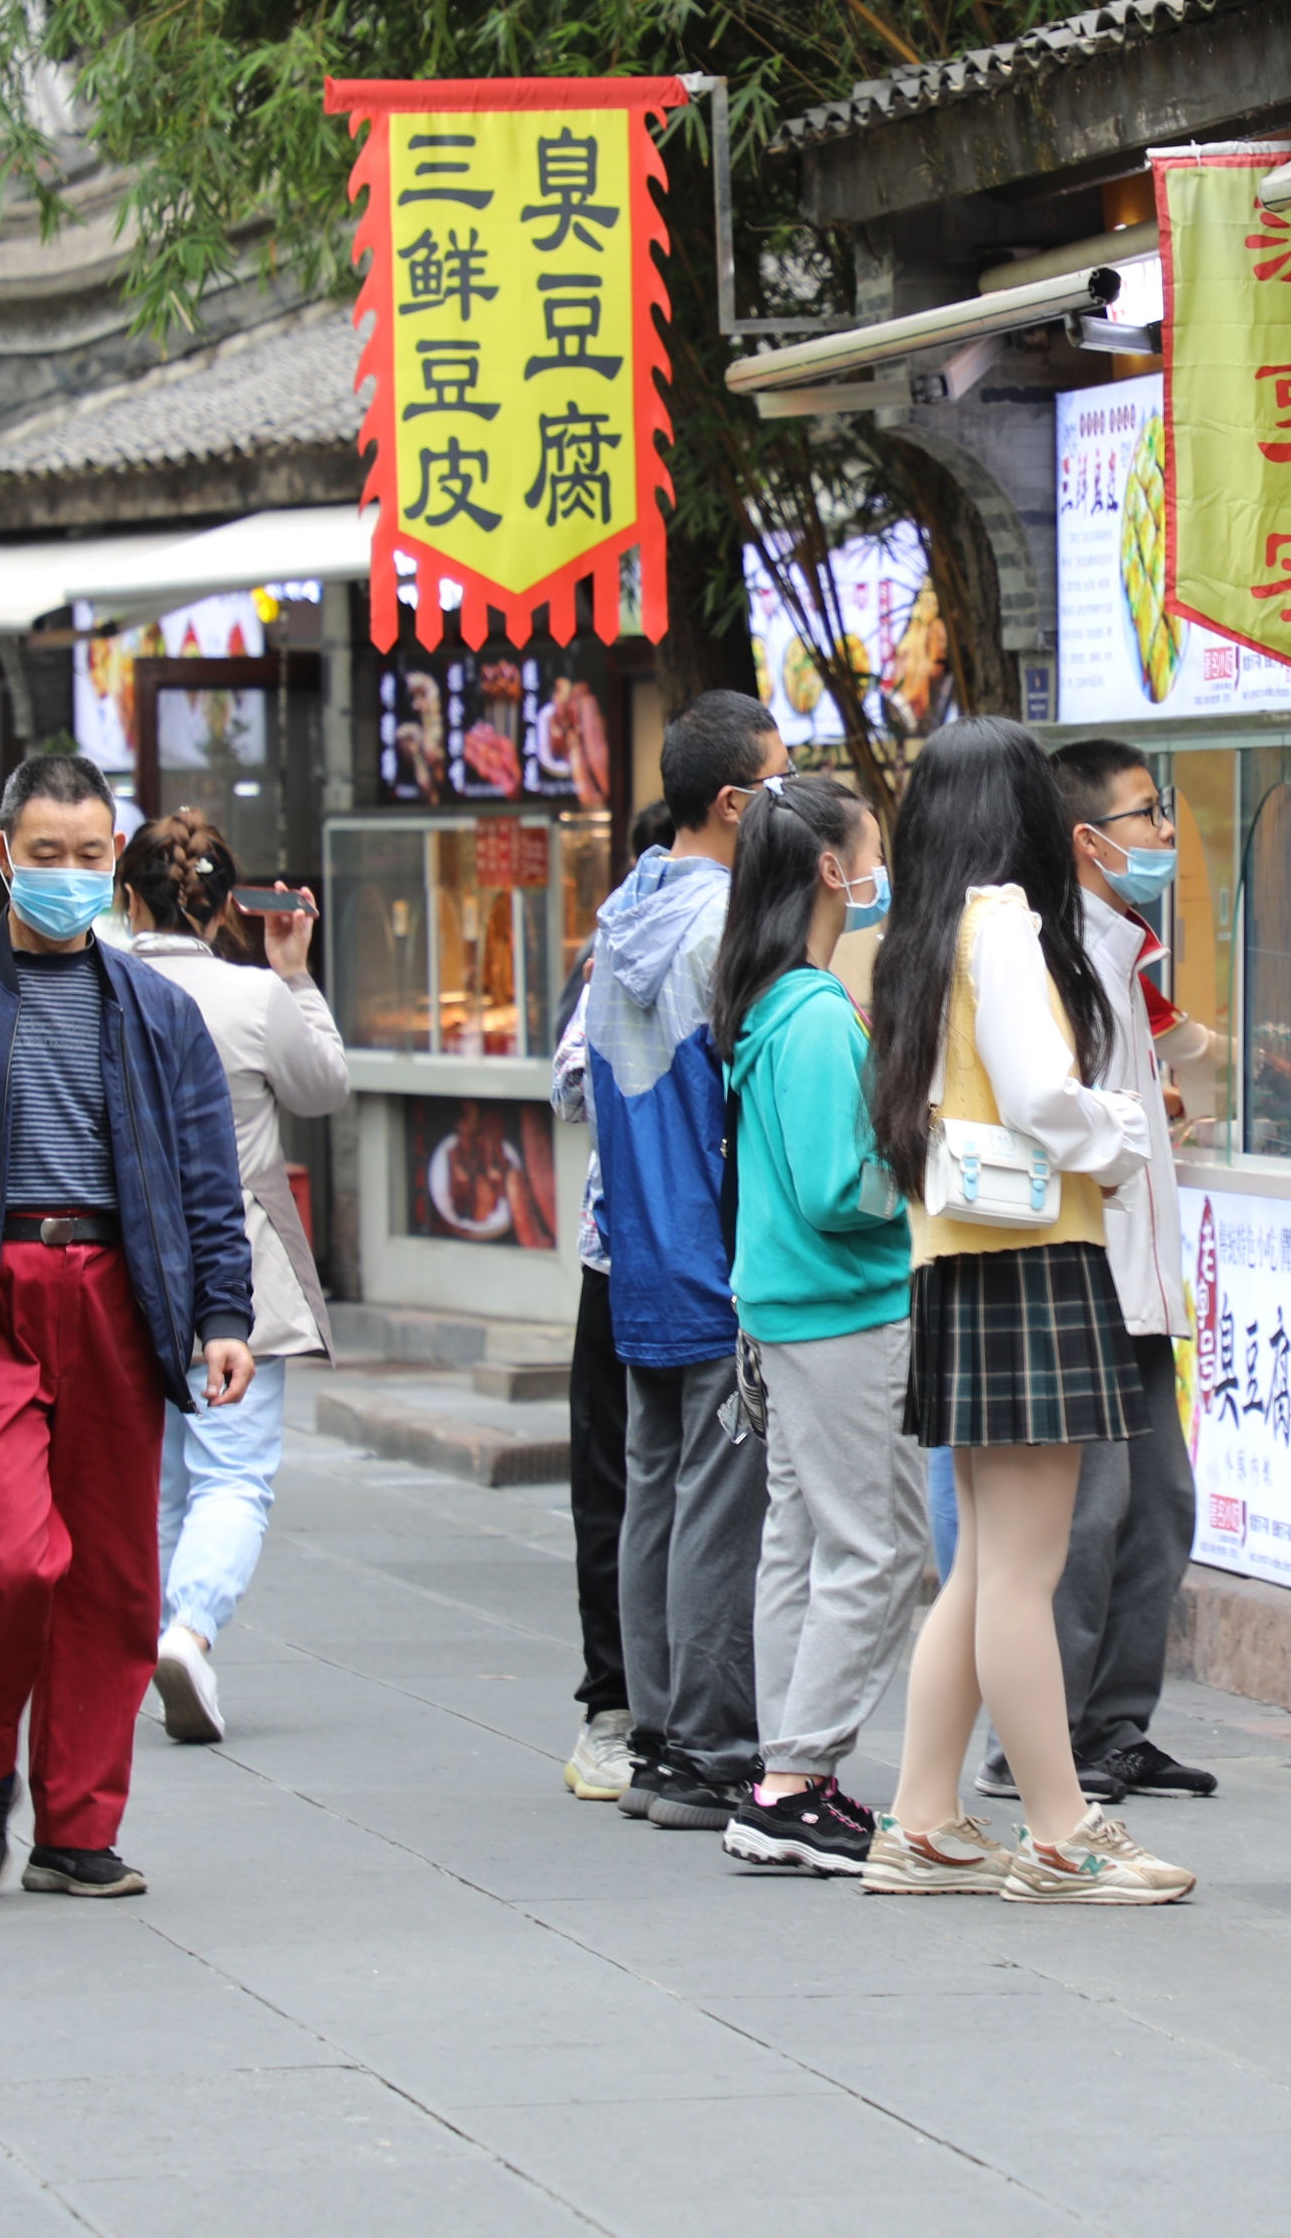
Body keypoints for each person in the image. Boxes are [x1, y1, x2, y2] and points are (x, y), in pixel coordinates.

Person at [0, 756, 258, 1904]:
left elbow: (207, 1181)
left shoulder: (161, 1012)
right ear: (3, 855)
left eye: (88, 854)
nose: (68, 873)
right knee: (11, 1561)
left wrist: (223, 1311)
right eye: (45, 853)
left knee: (112, 1580)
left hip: (118, 1297)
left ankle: (76, 1830)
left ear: (112, 862)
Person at [855, 717, 1189, 1905]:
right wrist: (1124, 1129)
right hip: (1033, 1262)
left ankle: (922, 1820)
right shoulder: (999, 925)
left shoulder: (920, 934)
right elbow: (1045, 1097)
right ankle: (1058, 1833)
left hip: (959, 1263)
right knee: (1020, 1571)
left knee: (983, 1569)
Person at [974, 740, 1215, 1807]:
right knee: (1084, 1519)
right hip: (1080, 1279)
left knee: (1158, 1505)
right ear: (1087, 839)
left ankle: (1113, 1727)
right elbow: (1049, 1113)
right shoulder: (1055, 958)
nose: (1164, 832)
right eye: (1145, 813)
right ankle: (1035, 1743)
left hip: (1138, 1287)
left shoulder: (1117, 953)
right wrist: (1124, 1133)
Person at [582, 692, 787, 1833]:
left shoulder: (624, 916)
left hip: (638, 1254)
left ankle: (659, 1739)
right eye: (780, 781)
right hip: (711, 1250)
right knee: (716, 1507)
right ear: (734, 802)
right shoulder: (725, 931)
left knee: (654, 1496)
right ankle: (709, 1748)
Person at [711, 775, 918, 1877]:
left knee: (800, 1543)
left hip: (785, 1312)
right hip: (845, 1309)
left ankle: (783, 1776)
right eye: (870, 850)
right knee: (876, 1547)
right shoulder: (817, 1016)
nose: (880, 870)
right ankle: (794, 1781)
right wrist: (922, 1157)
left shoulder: (767, 1006)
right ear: (832, 871)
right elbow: (844, 1190)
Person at [114, 809, 350, 1743]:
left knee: (160, 1479)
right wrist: (292, 970)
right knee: (233, 1473)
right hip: (236, 1257)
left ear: (128, 897)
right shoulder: (252, 996)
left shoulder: (95, 986)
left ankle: (156, 1644)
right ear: (221, 907)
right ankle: (189, 1630)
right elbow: (323, 1086)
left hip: (117, 1256)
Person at [551, 794, 673, 1800]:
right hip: (624, 1257)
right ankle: (615, 1706)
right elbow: (568, 1085)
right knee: (619, 1486)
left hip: (665, 1256)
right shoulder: (620, 950)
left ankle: (669, 1707)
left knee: (663, 1488)